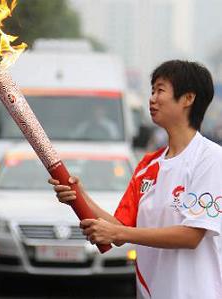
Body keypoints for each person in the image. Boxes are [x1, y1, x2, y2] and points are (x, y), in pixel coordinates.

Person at [49, 60, 222, 299]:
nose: (152, 98)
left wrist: (118, 234)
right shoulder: (147, 167)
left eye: (160, 90)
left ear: (188, 98)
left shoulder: (210, 158)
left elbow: (191, 235)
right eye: (152, 91)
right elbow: (121, 228)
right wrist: (79, 195)